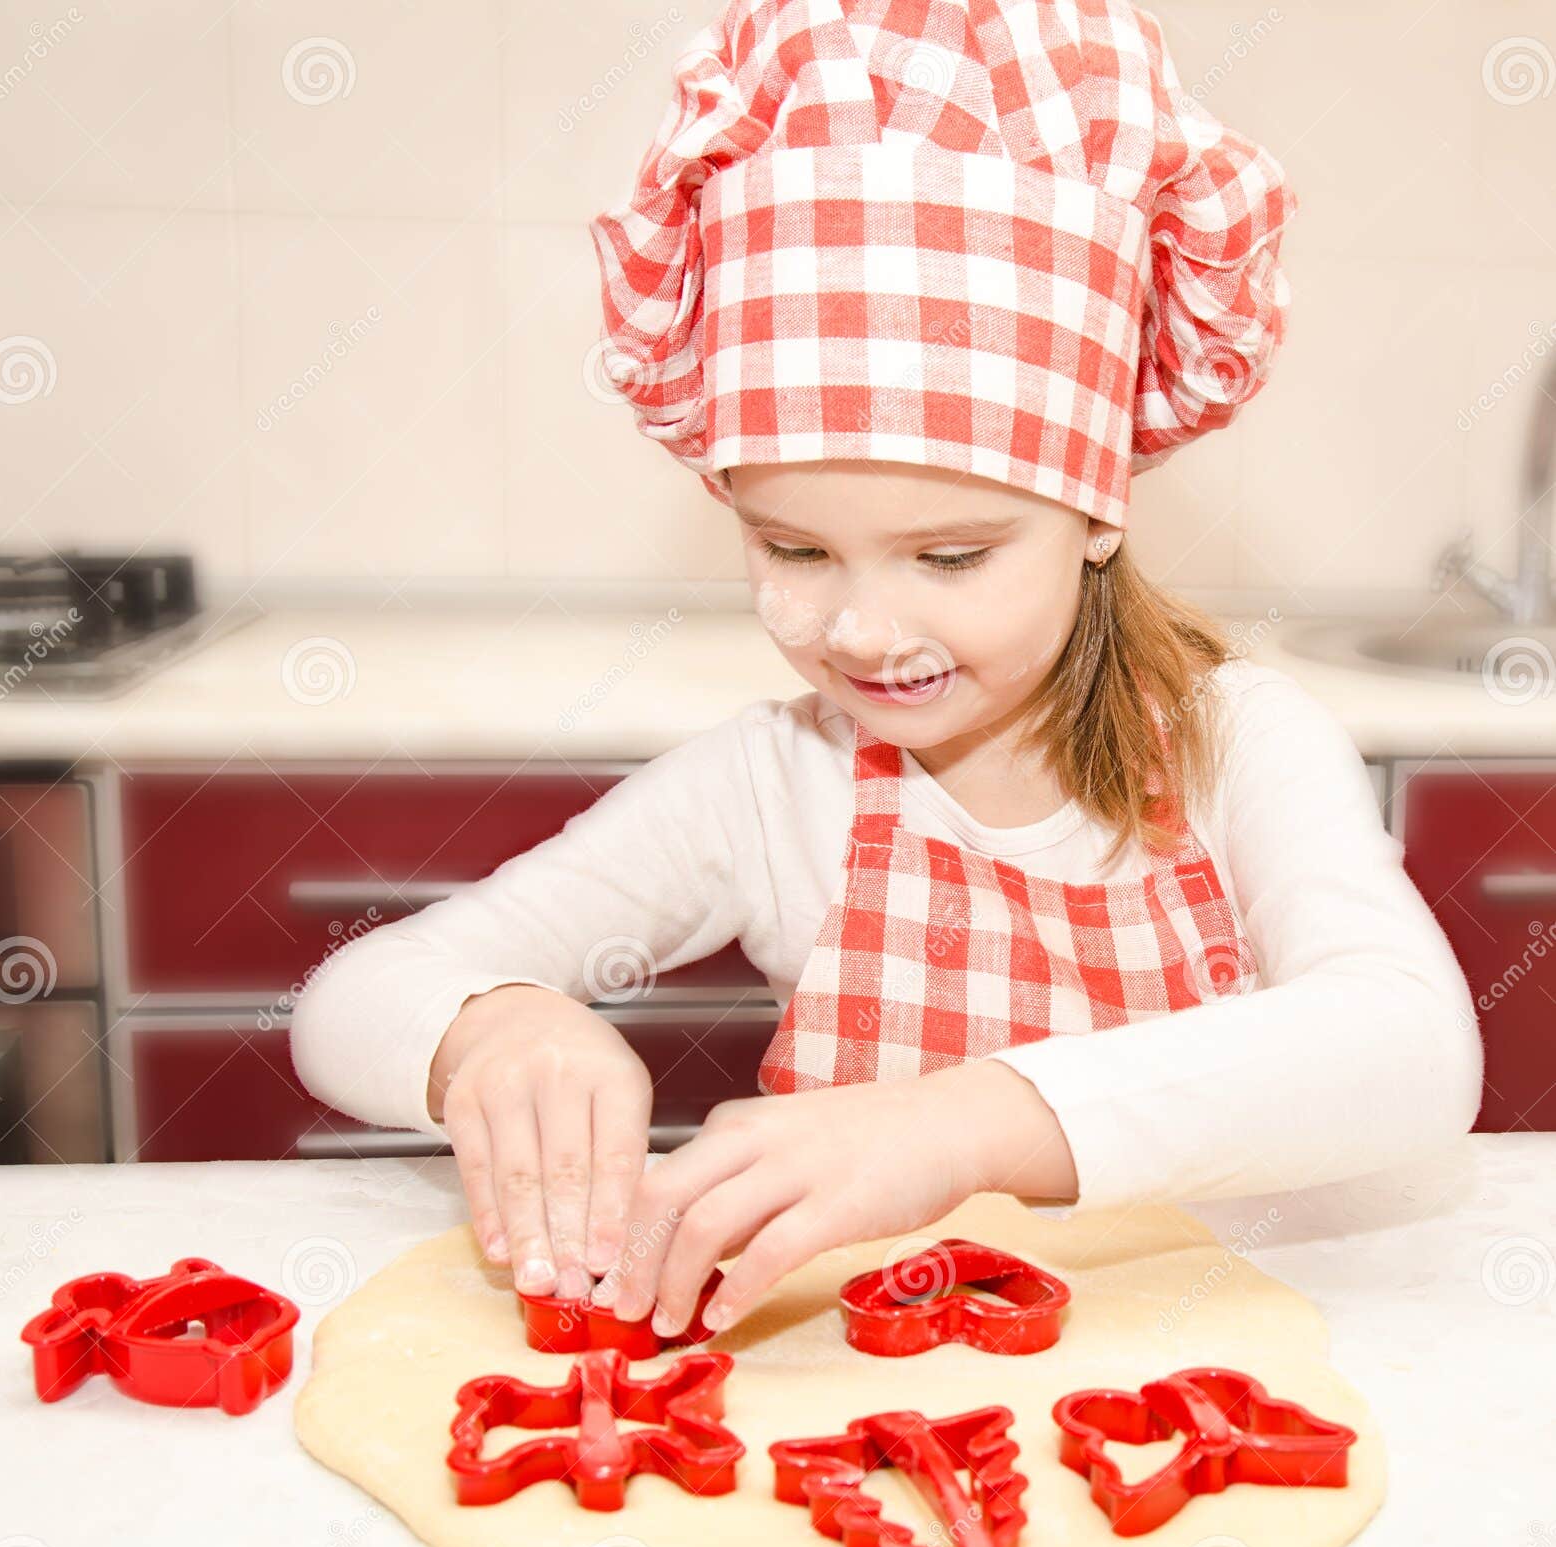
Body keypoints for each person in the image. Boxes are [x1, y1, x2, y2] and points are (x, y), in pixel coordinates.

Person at [290, 0, 1482, 1341]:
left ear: (1098, 509)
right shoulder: (771, 784)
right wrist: (488, 1029)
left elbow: (1409, 1049)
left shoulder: (1238, 745)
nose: (861, 629)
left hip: (1187, 1389)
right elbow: (350, 996)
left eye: (951, 554)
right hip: (865, 1415)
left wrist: (960, 1122)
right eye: (793, 546)